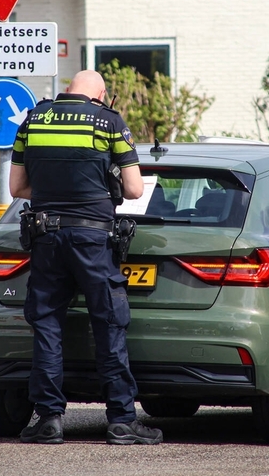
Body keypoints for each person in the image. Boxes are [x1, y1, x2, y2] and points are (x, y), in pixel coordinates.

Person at [9, 69, 163, 446]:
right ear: (101, 94)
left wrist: (54, 191)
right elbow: (134, 189)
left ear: (69, 89)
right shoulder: (109, 122)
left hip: (46, 236)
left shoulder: (34, 119)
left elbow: (17, 187)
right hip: (94, 239)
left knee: (47, 323)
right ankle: (122, 421)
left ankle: (49, 419)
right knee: (108, 322)